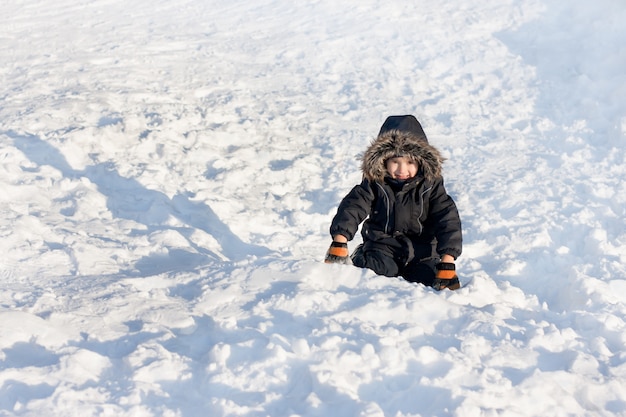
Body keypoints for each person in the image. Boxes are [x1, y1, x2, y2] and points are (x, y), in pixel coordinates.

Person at [324, 115, 462, 290]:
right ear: (384, 161)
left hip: (423, 253)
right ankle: (362, 257)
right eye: (395, 162)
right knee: (372, 277)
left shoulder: (431, 187)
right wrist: (340, 239)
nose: (402, 170)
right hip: (382, 248)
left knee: (428, 283)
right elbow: (353, 206)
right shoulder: (375, 183)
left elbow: (447, 220)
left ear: (421, 162)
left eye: (410, 162)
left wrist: (448, 260)